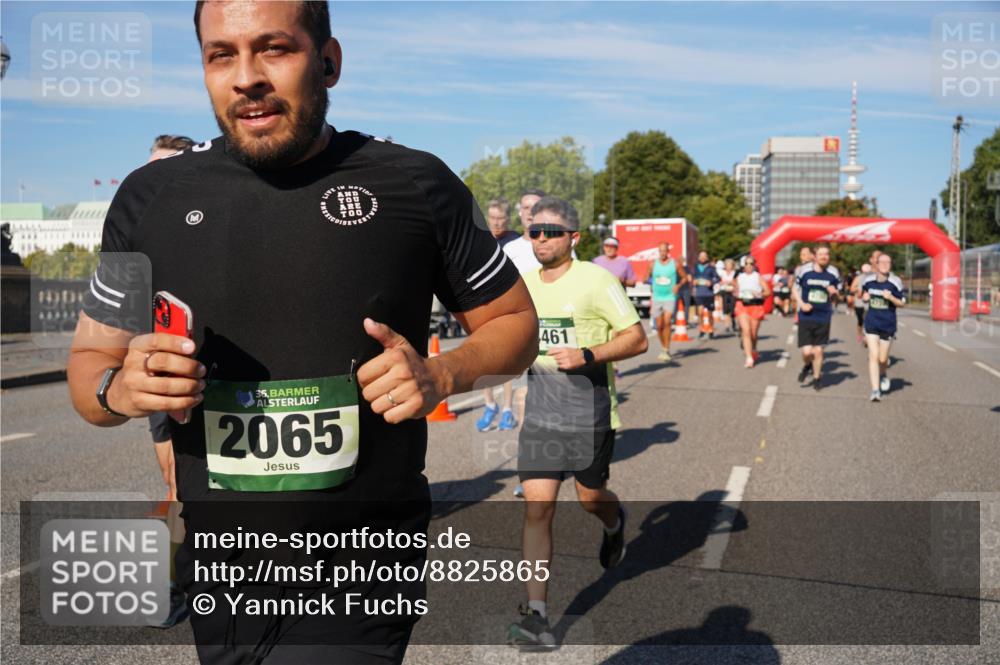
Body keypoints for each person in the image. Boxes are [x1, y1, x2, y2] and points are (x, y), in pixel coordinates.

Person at [67, 3, 538, 663]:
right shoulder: (149, 200)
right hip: (223, 566)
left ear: (329, 61)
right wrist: (120, 387)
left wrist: (443, 373)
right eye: (220, 55)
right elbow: (90, 364)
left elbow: (517, 324)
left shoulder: (414, 184)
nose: (246, 77)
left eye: (274, 49)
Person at [506, 196, 647, 649]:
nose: (542, 239)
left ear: (574, 237)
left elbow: (637, 338)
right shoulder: (523, 283)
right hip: (543, 416)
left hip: (589, 413)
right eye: (535, 232)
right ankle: (537, 616)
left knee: (590, 498)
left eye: (552, 232)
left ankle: (613, 521)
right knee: (537, 507)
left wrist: (589, 354)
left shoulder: (597, 281)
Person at [145, 132, 197, 630]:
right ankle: (173, 581)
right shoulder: (143, 234)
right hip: (166, 382)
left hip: (222, 380)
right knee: (176, 482)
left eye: (163, 168)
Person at [476, 197, 521, 432]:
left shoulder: (516, 242)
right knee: (485, 359)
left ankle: (506, 410)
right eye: (491, 218)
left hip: (509, 309)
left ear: (508, 219)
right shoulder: (479, 240)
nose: (495, 223)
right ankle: (489, 404)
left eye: (500, 218)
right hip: (483, 308)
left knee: (506, 362)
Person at [796, 245, 840, 389]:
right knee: (807, 352)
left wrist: (834, 293)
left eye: (826, 254)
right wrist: (801, 303)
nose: (824, 257)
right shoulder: (805, 271)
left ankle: (816, 378)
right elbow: (795, 289)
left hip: (823, 316)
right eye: (821, 254)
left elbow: (839, 295)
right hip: (806, 315)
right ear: (814, 256)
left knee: (819, 350)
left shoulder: (833, 273)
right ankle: (807, 364)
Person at [862, 253, 905, 401]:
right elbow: (864, 295)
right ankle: (875, 390)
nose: (886, 265)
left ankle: (883, 373)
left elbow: (902, 303)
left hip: (888, 324)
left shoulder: (895, 282)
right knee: (873, 356)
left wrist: (891, 298)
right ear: (877, 264)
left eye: (888, 262)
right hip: (871, 323)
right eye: (883, 262)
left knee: (882, 358)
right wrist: (864, 298)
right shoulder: (868, 281)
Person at [649, 242, 687, 362]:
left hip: (669, 297)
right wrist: (652, 283)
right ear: (658, 251)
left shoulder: (675, 264)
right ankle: (663, 346)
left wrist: (678, 285)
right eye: (660, 251)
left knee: (667, 322)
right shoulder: (652, 264)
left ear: (668, 251)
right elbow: (645, 278)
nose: (663, 253)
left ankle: (666, 349)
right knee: (659, 326)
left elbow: (685, 278)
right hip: (657, 297)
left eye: (665, 250)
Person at [735, 256, 770, 368]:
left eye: (751, 264)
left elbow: (768, 292)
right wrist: (736, 293)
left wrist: (760, 294)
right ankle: (749, 358)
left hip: (755, 306)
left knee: (753, 334)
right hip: (742, 306)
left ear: (754, 265)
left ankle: (753, 349)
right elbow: (734, 291)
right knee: (746, 331)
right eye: (746, 264)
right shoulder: (739, 277)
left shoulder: (758, 277)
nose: (749, 266)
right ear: (743, 266)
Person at [503, 188, 547, 274]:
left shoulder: (559, 245)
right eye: (526, 207)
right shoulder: (509, 249)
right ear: (520, 212)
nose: (530, 212)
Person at [691, 250, 719, 339]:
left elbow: (717, 278)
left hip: (709, 293)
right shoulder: (696, 267)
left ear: (707, 258)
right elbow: (692, 277)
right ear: (699, 258)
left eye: (704, 256)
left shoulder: (711, 267)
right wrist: (694, 281)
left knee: (710, 314)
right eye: (701, 256)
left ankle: (710, 329)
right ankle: (702, 329)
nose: (702, 258)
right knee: (700, 312)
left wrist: (711, 282)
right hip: (699, 293)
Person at [851, 264, 873, 345]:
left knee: (868, 320)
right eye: (865, 272)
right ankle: (859, 334)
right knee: (860, 320)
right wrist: (858, 290)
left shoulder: (873, 278)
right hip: (859, 303)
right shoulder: (858, 278)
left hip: (869, 303)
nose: (866, 274)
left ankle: (867, 336)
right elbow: (852, 289)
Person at [717, 258, 738, 333]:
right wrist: (721, 283)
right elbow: (720, 282)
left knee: (732, 309)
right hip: (724, 291)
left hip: (732, 292)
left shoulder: (734, 273)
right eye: (727, 265)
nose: (728, 267)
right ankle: (726, 326)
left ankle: (733, 323)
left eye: (730, 265)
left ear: (732, 266)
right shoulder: (722, 273)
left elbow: (736, 283)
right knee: (725, 309)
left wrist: (730, 282)